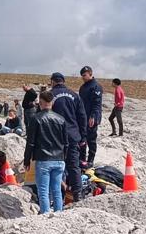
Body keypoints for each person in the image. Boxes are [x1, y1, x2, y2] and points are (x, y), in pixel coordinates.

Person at [24, 90, 67, 213]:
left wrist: (27, 160)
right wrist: (64, 157)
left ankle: (45, 215)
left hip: (43, 159)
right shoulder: (61, 119)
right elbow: (66, 142)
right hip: (59, 159)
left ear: (40, 103)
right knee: (56, 190)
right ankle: (59, 213)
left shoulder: (36, 119)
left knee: (43, 191)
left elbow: (30, 142)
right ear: (52, 102)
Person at [50, 72, 87, 202]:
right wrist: (83, 136)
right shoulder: (74, 95)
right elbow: (82, 116)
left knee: (55, 165)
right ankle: (77, 194)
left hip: (55, 136)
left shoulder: (50, 95)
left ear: (53, 82)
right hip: (72, 135)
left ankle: (57, 195)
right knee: (73, 165)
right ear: (63, 81)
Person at [78, 66, 103, 167]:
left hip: (92, 117)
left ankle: (91, 159)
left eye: (84, 75)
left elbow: (96, 104)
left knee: (91, 139)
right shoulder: (83, 87)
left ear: (90, 74)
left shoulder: (96, 86)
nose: (83, 77)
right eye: (82, 76)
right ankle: (82, 159)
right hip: (83, 117)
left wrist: (93, 116)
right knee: (82, 138)